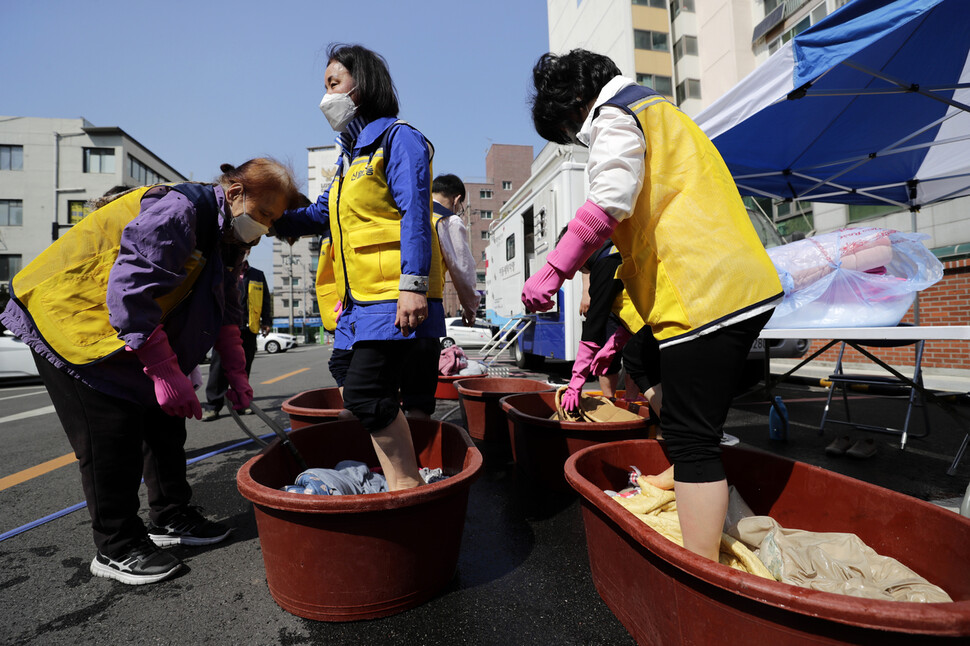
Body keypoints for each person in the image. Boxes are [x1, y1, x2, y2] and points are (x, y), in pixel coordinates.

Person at [523, 49, 783, 562]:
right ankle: (685, 476)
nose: (578, 137)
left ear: (576, 103)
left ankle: (699, 565)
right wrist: (618, 336)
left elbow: (608, 202)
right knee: (661, 384)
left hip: (704, 293)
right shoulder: (659, 110)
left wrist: (554, 269)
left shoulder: (615, 114)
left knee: (692, 443)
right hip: (731, 283)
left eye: (568, 129)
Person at [1, 158, 301, 585]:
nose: (265, 227)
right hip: (69, 318)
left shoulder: (226, 236)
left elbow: (227, 305)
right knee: (110, 433)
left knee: (164, 423)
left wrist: (235, 371)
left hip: (118, 327)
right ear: (235, 192)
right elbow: (131, 293)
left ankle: (170, 515)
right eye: (264, 214)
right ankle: (116, 545)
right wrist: (164, 371)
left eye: (272, 220)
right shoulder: (179, 210)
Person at [273, 44, 444, 491]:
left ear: (362, 86)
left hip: (390, 295)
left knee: (368, 394)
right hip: (357, 301)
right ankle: (392, 473)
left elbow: (415, 215)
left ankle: (407, 484)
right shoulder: (350, 158)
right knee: (349, 376)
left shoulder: (398, 139)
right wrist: (268, 221)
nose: (325, 98)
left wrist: (413, 286)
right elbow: (319, 214)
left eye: (334, 84)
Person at [202, 257, 272, 421]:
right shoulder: (221, 269)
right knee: (218, 368)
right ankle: (213, 405)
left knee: (244, 366)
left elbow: (266, 300)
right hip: (225, 325)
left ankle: (242, 402)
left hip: (249, 327)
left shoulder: (257, 274)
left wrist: (266, 321)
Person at [431, 173, 481, 328]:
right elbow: (463, 269)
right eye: (460, 207)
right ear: (457, 199)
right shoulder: (448, 220)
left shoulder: (412, 209)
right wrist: (470, 308)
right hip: (427, 301)